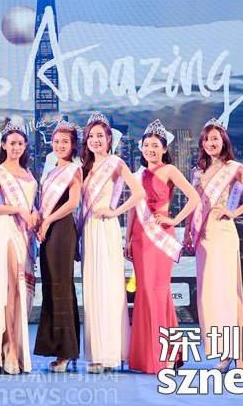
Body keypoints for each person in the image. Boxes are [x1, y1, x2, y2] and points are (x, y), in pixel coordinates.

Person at [183, 118, 243, 372]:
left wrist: (234, 212)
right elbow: (194, 205)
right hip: (203, 236)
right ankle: (225, 354)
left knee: (229, 293)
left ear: (224, 142)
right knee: (210, 296)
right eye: (207, 139)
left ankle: (241, 357)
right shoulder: (198, 172)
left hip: (224, 233)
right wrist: (187, 231)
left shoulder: (234, 167)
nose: (211, 143)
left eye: (215, 139)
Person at [126, 120, 199, 374]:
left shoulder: (169, 170)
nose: (150, 149)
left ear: (164, 148)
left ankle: (165, 355)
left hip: (160, 235)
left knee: (157, 292)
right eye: (146, 145)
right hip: (139, 238)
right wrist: (127, 239)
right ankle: (149, 356)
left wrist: (175, 220)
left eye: (155, 145)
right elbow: (133, 208)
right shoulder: (136, 175)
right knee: (146, 294)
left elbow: (194, 198)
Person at [80, 112, 145, 374]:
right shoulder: (84, 167)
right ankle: (96, 354)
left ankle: (111, 354)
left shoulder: (116, 163)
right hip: (88, 229)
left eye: (100, 136)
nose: (95, 140)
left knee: (108, 287)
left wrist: (115, 211)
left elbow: (138, 192)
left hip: (106, 228)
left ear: (109, 139)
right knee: (92, 290)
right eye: (91, 136)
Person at [0, 123, 38, 375]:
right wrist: (18, 209)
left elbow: (32, 204)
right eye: (12, 143)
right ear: (4, 145)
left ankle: (15, 347)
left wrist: (34, 212)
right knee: (10, 288)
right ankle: (10, 347)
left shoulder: (29, 173)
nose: (16, 147)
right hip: (7, 230)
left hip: (26, 234)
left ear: (25, 146)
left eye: (20, 144)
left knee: (20, 292)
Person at [34, 120, 82, 373]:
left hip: (62, 229)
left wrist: (48, 220)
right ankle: (61, 347)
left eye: (65, 141)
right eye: (56, 141)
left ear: (73, 145)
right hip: (49, 230)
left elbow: (73, 202)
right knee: (51, 286)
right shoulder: (51, 170)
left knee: (62, 286)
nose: (60, 145)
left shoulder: (74, 169)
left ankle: (66, 352)